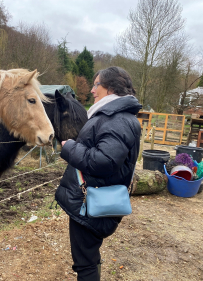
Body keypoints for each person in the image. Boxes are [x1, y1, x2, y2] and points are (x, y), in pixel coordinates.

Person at [55, 66, 142, 280]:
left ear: (110, 88)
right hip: (94, 198)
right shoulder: (114, 116)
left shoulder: (117, 119)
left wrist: (70, 148)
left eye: (96, 85)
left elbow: (104, 161)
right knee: (89, 257)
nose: (92, 90)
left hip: (92, 203)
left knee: (85, 264)